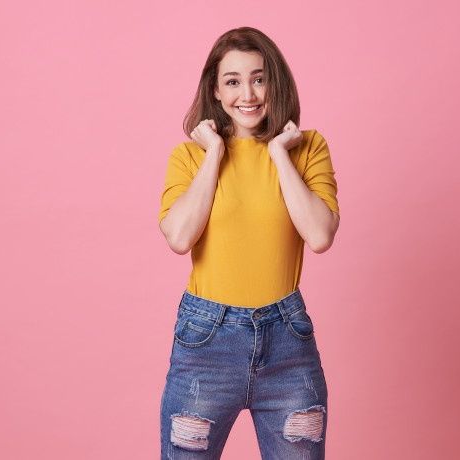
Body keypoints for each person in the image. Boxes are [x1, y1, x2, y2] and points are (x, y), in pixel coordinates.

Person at [157, 26, 340, 459]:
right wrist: (215, 153)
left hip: (288, 347)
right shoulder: (190, 156)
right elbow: (180, 237)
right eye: (233, 81)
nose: (249, 94)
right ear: (216, 92)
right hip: (205, 345)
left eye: (259, 78)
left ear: (275, 82)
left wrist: (279, 153)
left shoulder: (307, 148)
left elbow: (319, 235)